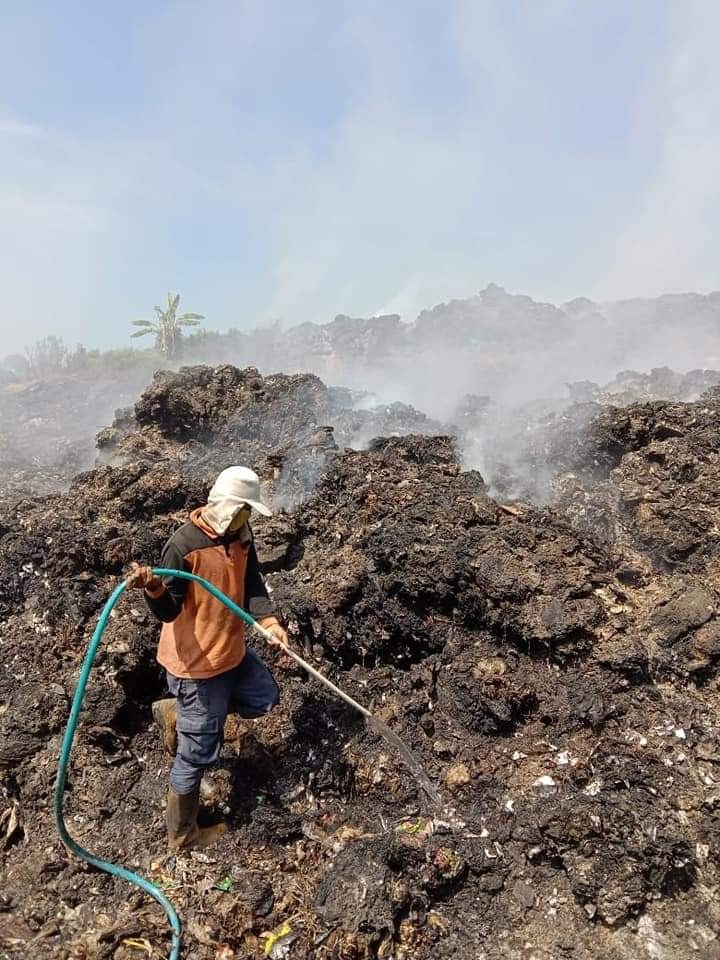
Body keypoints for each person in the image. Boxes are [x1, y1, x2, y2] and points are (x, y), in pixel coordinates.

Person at [127, 465, 288, 850]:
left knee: (263, 697)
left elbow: (252, 581)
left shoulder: (241, 534)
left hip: (231, 651)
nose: (250, 517)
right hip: (197, 666)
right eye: (247, 509)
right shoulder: (184, 546)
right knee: (197, 754)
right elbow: (168, 612)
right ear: (230, 507)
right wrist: (152, 587)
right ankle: (183, 835)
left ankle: (180, 714)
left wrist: (268, 619)